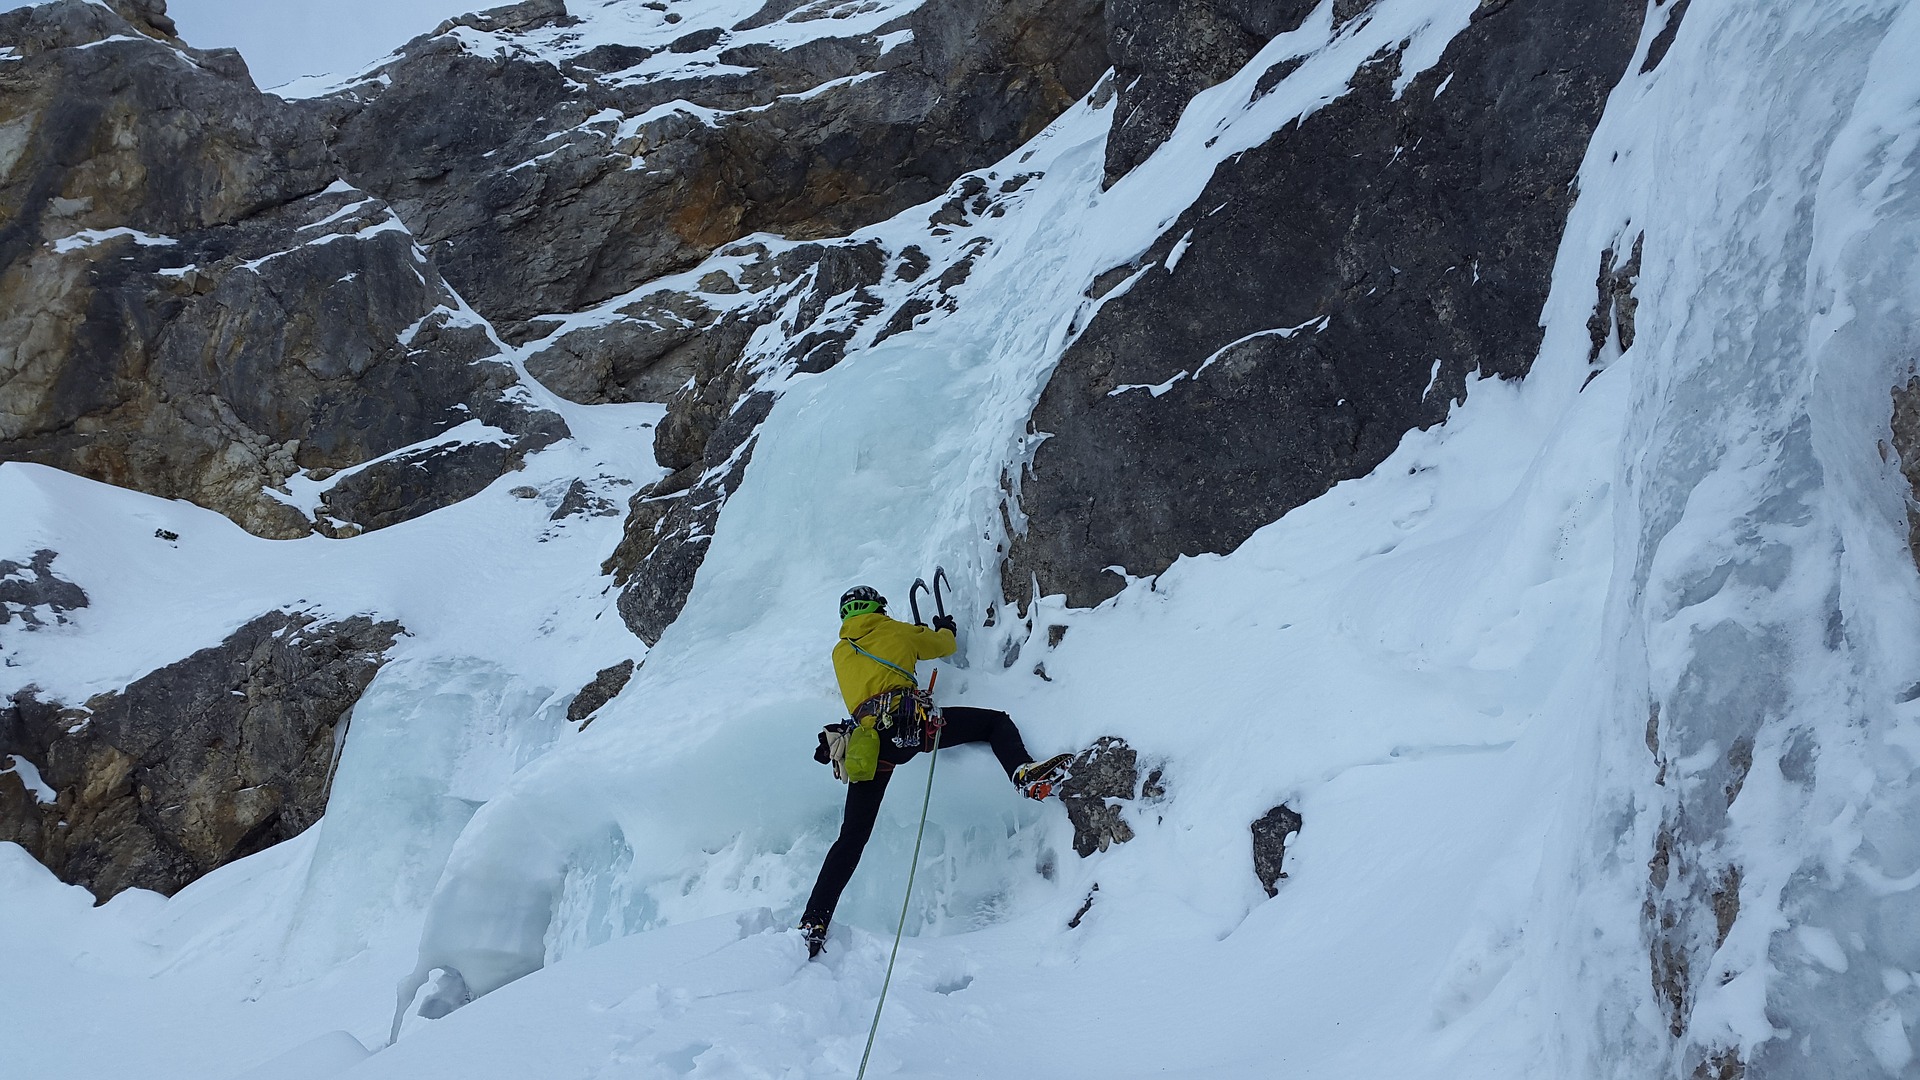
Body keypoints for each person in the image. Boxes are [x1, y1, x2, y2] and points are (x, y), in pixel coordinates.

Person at [798, 584, 1070, 958]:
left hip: (871, 747)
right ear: (878, 607)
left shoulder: (840, 651)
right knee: (994, 724)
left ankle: (814, 920)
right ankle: (1022, 773)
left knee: (852, 837)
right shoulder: (894, 629)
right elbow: (944, 647)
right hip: (914, 729)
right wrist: (944, 628)